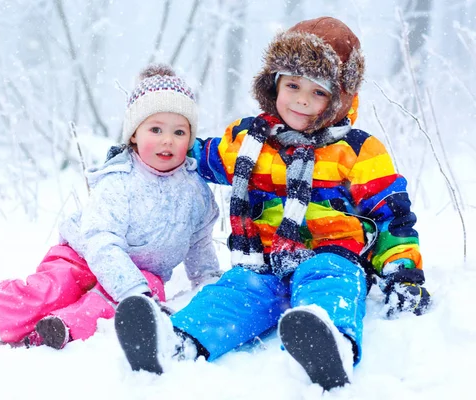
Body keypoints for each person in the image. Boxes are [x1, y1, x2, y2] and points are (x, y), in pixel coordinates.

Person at [114, 17, 432, 391]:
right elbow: (203, 156)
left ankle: (330, 343)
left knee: (329, 282)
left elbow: (392, 215)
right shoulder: (249, 139)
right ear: (274, 83)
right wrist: (155, 151)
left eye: (318, 92)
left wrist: (402, 270)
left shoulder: (357, 149)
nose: (301, 99)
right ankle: (175, 342)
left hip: (331, 253)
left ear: (340, 99)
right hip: (263, 261)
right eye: (293, 85)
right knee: (236, 291)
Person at [0, 64, 221, 368]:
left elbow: (200, 241)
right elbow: (101, 241)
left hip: (142, 275)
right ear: (134, 135)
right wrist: (130, 286)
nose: (168, 140)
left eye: (179, 132)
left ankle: (59, 328)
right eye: (156, 129)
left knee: (134, 303)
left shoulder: (195, 192)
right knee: (45, 292)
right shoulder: (119, 181)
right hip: (81, 257)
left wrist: (207, 282)